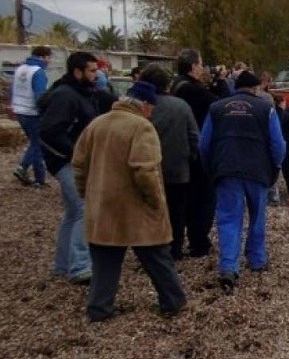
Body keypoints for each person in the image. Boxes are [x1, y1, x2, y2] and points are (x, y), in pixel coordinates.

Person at [71, 81, 186, 321]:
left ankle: (99, 308)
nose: (152, 113)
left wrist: (86, 193)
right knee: (157, 258)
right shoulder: (142, 128)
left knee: (105, 261)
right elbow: (145, 171)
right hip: (135, 208)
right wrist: (156, 201)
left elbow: (79, 165)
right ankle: (173, 301)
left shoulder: (97, 124)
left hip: (102, 206)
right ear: (144, 105)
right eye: (151, 108)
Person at [199, 71, 286, 292]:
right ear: (256, 88)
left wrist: (211, 168)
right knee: (257, 215)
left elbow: (203, 144)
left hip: (226, 170)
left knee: (228, 218)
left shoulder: (217, 108)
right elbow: (278, 144)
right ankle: (257, 259)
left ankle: (229, 267)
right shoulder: (266, 109)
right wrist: (276, 166)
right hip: (257, 171)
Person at [38, 51, 101, 284]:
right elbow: (50, 130)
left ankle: (63, 265)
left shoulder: (81, 93)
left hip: (69, 160)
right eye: (92, 71)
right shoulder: (66, 96)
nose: (97, 75)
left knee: (73, 212)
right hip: (67, 162)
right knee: (84, 209)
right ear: (78, 72)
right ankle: (80, 266)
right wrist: (77, 153)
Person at [140, 64, 200, 260]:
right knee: (176, 212)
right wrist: (191, 158)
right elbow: (194, 137)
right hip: (178, 169)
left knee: (149, 211)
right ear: (166, 84)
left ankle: (150, 250)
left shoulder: (140, 107)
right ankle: (174, 249)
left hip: (145, 168)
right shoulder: (181, 106)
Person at [170, 48, 218, 258]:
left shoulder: (175, 86)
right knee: (202, 200)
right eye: (200, 64)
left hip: (179, 151)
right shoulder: (192, 91)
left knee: (182, 202)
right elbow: (216, 105)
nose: (203, 68)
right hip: (196, 153)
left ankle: (181, 243)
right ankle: (198, 242)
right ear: (192, 67)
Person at [11, 45, 52, 188]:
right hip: (32, 113)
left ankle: (29, 172)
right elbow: (40, 96)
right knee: (38, 144)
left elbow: (13, 89)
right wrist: (46, 112)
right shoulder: (38, 72)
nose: (49, 61)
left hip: (19, 110)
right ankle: (33, 175)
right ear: (43, 57)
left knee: (35, 143)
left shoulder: (20, 69)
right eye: (49, 58)